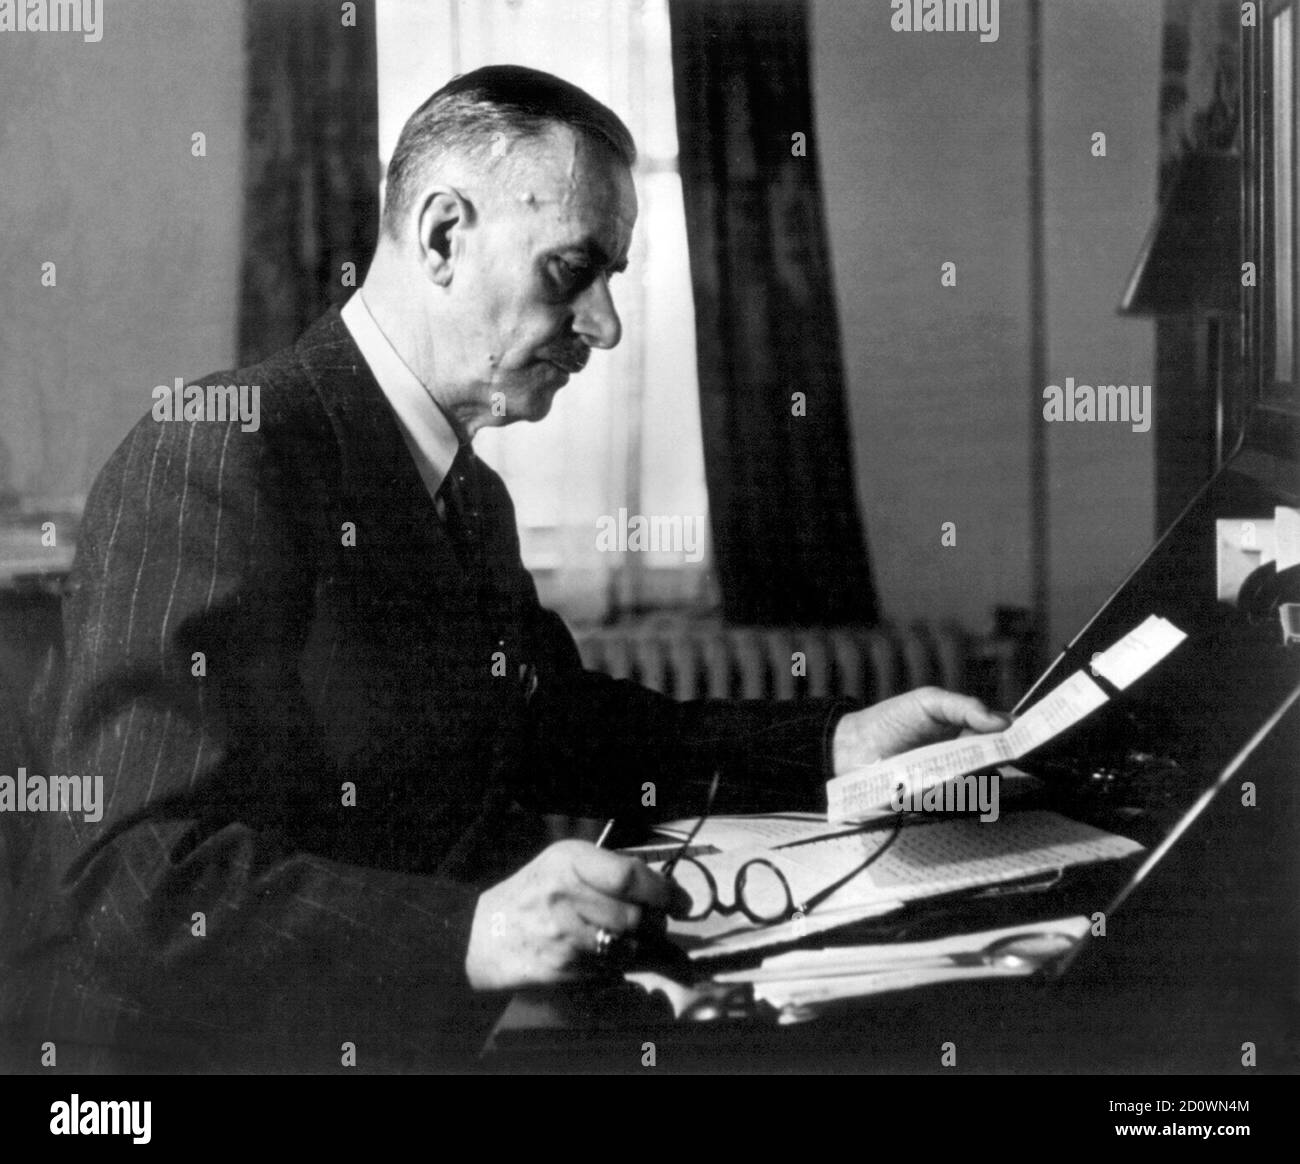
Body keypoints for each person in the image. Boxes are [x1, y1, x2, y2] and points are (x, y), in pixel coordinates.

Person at [0, 66, 1006, 1071]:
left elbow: (554, 728)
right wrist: (473, 932)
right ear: (442, 236)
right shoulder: (221, 455)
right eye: (572, 271)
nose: (605, 326)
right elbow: (131, 882)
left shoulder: (467, 493)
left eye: (612, 278)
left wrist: (836, 743)